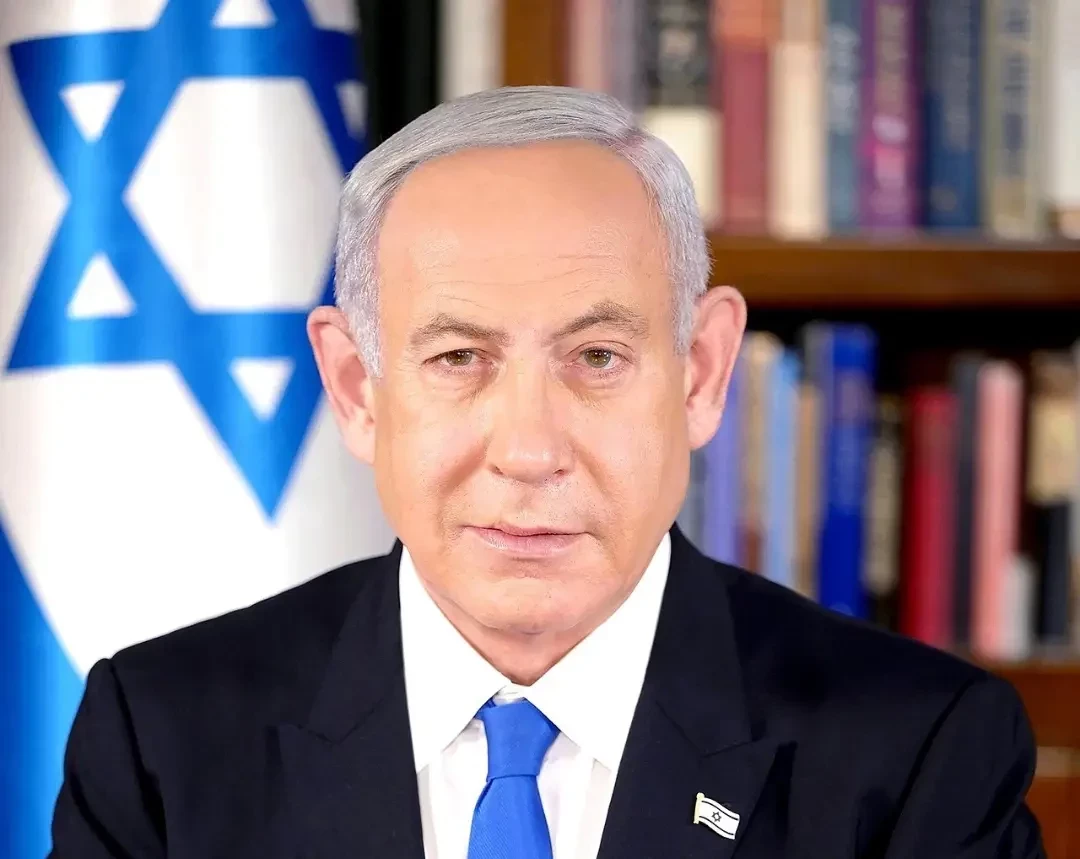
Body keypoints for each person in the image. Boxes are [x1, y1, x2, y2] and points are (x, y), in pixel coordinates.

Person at [50, 86, 1045, 859]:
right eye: (458, 358)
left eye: (597, 357)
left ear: (702, 374)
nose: (528, 450)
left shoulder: (921, 754)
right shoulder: (161, 739)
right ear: (356, 387)